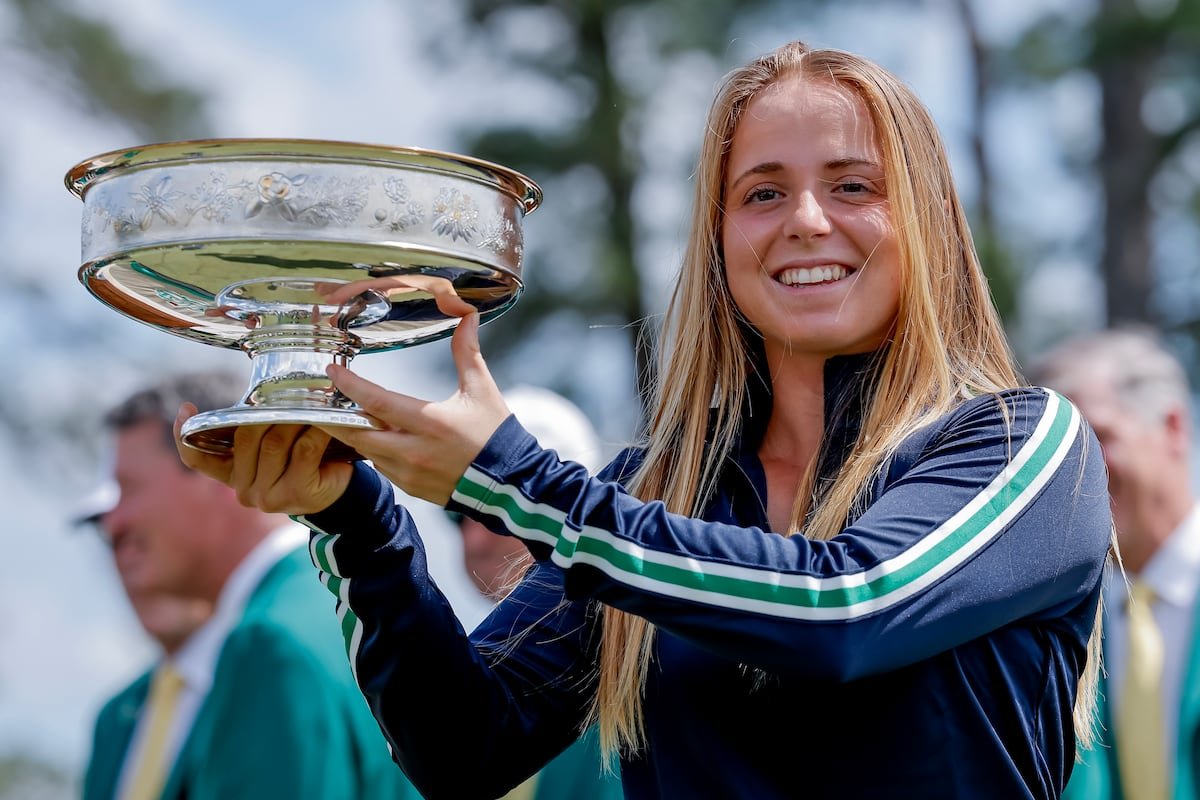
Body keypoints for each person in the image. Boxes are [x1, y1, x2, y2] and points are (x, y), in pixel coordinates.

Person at [176, 41, 1114, 798]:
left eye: (854, 186)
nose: (807, 221)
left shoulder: (1027, 449)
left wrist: (507, 479)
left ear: (929, 223)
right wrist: (360, 524)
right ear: (718, 243)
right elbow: (467, 751)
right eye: (761, 193)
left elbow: (845, 607)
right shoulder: (651, 494)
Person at [80, 370, 421, 800]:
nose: (112, 523)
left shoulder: (270, 639)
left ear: (214, 466)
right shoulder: (343, 609)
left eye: (129, 489)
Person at [1030, 327, 1200, 800]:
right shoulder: (1053, 630)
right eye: (1056, 456)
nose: (1076, 475)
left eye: (1096, 438)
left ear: (1173, 428)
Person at [448, 385, 622, 800]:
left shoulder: (631, 673)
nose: (474, 541)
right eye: (458, 516)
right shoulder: (475, 679)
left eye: (493, 512)